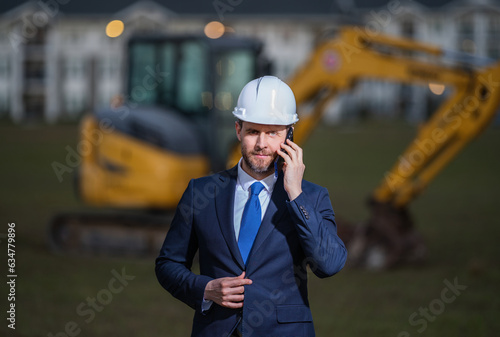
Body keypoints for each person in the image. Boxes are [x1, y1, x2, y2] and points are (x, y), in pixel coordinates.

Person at [155, 76, 347, 337]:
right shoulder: (200, 193)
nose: (262, 144)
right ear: (238, 130)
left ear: (290, 134)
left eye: (273, 133)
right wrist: (205, 288)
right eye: (253, 131)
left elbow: (330, 264)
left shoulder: (311, 197)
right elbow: (168, 264)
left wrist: (295, 193)